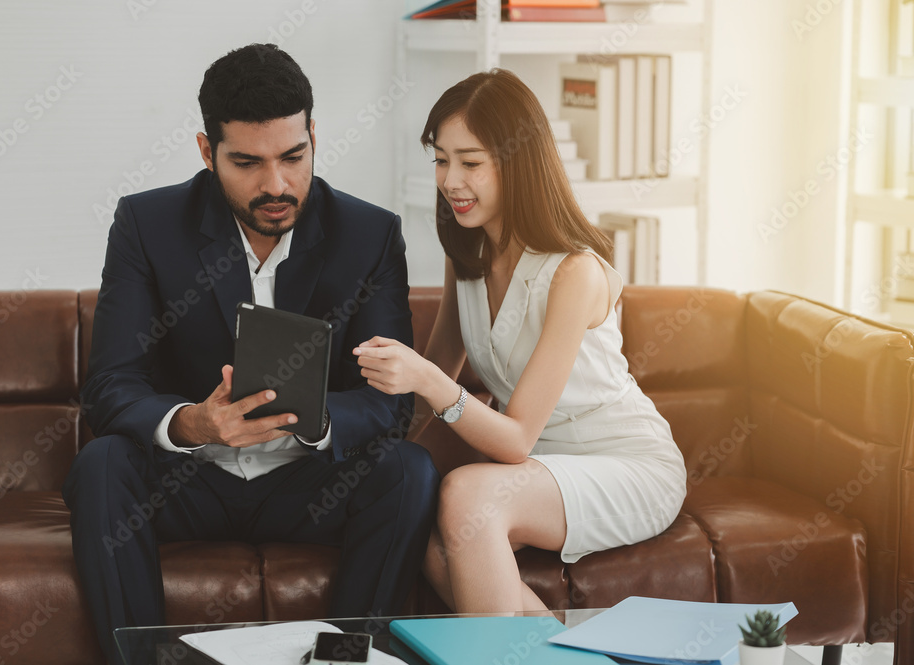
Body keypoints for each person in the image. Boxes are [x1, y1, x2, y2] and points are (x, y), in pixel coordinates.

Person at [62, 44, 439, 663]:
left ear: (314, 135)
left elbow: (386, 405)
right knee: (101, 465)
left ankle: (347, 660)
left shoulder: (370, 235)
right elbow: (110, 385)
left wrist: (312, 421)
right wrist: (191, 422)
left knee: (408, 470)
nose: (276, 184)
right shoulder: (146, 224)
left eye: (294, 156)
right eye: (247, 162)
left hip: (307, 484)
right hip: (188, 482)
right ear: (208, 153)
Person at [353, 69, 687, 614]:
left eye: (471, 162)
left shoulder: (574, 271)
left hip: (622, 464)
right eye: (441, 160)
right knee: (409, 517)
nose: (450, 181)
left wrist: (430, 381)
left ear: (517, 163)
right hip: (534, 468)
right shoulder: (467, 252)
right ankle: (563, 649)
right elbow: (434, 375)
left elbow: (512, 438)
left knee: (467, 496)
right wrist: (361, 433)